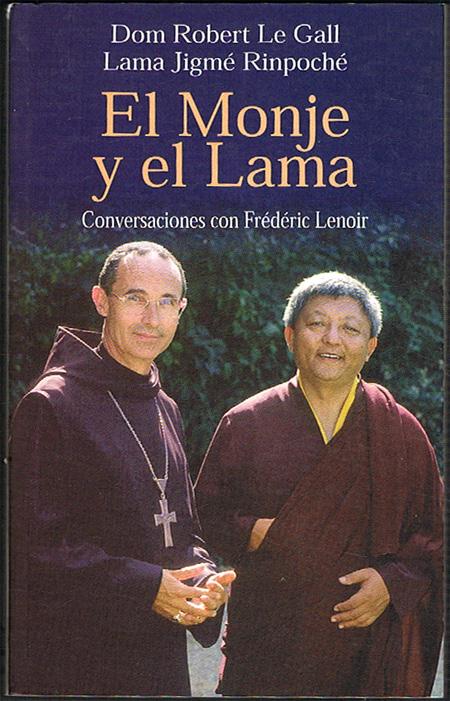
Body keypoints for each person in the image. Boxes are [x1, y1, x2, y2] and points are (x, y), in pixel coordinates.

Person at [195, 271, 443, 697]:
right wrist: (253, 531)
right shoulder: (246, 422)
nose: (332, 339)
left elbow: (432, 534)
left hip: (367, 645)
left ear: (370, 346)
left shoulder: (399, 430)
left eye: (350, 329)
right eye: (317, 324)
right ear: (290, 336)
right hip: (272, 642)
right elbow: (204, 515)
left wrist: (392, 582)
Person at [9, 240, 235, 696]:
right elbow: (33, 548)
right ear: (102, 301)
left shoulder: (165, 406)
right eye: (136, 298)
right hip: (76, 660)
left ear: (181, 310)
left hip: (158, 656)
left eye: (166, 302)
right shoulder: (52, 404)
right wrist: (147, 587)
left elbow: (180, 529)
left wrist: (202, 579)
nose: (152, 318)